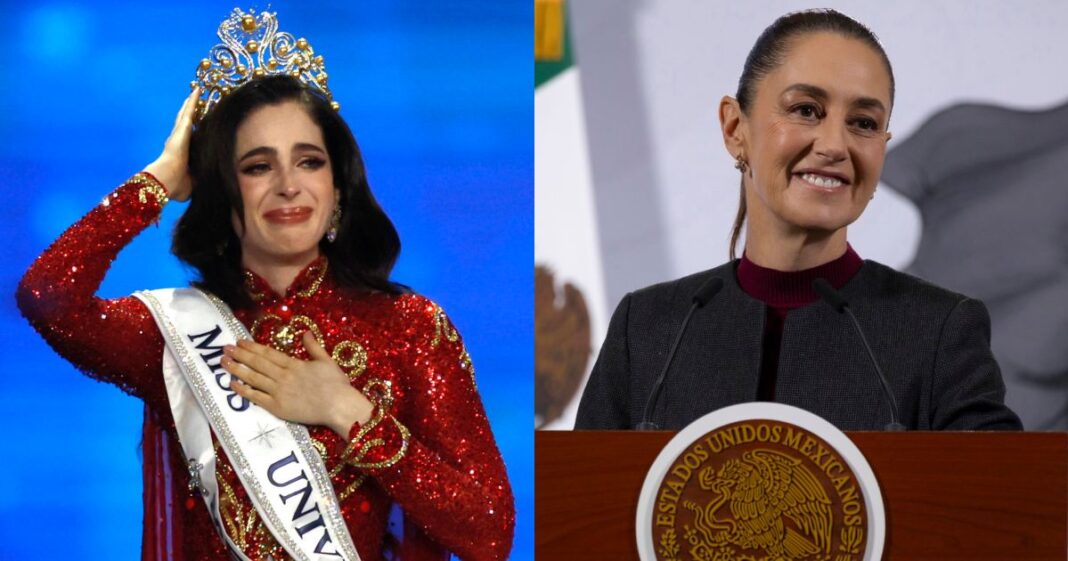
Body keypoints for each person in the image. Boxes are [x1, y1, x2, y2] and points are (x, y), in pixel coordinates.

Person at [16, 9, 513, 561]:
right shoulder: (173, 335)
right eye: (257, 167)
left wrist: (347, 411)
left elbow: (489, 532)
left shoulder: (411, 327)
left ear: (338, 186)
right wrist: (158, 179)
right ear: (224, 195)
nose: (288, 186)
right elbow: (48, 296)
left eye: (309, 161)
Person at [575, 9, 1021, 432]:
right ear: (735, 129)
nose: (834, 145)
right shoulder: (649, 328)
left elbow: (1003, 502)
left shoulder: (940, 331)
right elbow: (581, 506)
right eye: (806, 110)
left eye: (863, 122)